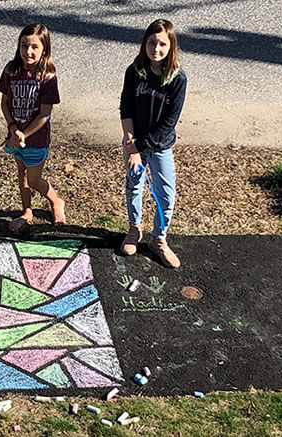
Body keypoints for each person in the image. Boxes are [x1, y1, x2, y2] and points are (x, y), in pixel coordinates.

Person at [119, 19, 187, 268]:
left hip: (159, 146)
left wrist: (139, 147)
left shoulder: (177, 79)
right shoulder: (134, 72)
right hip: (134, 142)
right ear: (144, 43)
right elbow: (125, 107)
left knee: (166, 194)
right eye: (151, 42)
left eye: (161, 44)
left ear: (171, 46)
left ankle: (158, 239)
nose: (155, 48)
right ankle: (135, 229)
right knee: (134, 185)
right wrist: (129, 142)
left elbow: (169, 122)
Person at [0, 23, 66, 232]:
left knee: (35, 179)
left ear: (45, 48)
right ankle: (27, 210)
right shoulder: (11, 70)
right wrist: (12, 127)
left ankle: (56, 201)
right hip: (15, 136)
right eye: (24, 45)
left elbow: (45, 114)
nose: (28, 51)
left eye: (35, 47)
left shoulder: (48, 76)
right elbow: (4, 102)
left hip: (35, 139)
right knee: (22, 173)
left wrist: (22, 134)